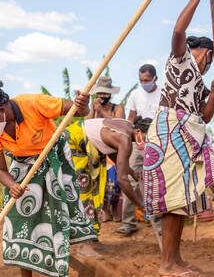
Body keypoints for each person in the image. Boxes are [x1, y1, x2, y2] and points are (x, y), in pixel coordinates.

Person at [0, 82, 96, 277]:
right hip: (21, 168)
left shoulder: (33, 103)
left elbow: (78, 110)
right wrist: (11, 185)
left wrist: (83, 105)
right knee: (18, 225)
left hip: (52, 162)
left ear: (1, 109)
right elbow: (0, 170)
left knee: (54, 222)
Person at [142, 0, 214, 277]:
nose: (208, 65)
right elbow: (178, 32)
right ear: (205, 52)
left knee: (182, 197)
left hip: (189, 134)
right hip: (170, 132)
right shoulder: (181, 58)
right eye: (210, 59)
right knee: (172, 197)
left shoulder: (201, 83)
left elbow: (205, 116)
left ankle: (175, 258)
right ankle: (167, 263)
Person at [119, 64, 163, 235]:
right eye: (140, 80)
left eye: (146, 80)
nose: (143, 83)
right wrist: (128, 138)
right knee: (130, 180)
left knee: (155, 181)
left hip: (157, 142)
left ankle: (159, 225)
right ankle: (128, 222)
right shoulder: (135, 94)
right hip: (137, 142)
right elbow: (131, 117)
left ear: (155, 79)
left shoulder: (163, 94)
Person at [83, 116, 152, 217]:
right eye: (148, 138)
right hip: (79, 139)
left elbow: (116, 158)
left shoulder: (126, 125)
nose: (148, 142)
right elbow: (122, 180)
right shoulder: (125, 140)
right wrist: (140, 206)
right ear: (138, 131)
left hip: (80, 131)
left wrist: (131, 172)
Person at [87, 76, 125, 223]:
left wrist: (102, 111)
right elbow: (87, 124)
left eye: (105, 93)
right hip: (97, 149)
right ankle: (105, 211)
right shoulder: (95, 107)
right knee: (99, 181)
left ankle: (115, 210)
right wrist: (93, 109)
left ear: (110, 94)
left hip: (114, 149)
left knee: (115, 181)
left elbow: (120, 124)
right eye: (100, 93)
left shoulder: (118, 108)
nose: (102, 96)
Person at [65, 119, 107, 233]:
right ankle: (85, 239)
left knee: (90, 195)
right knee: (84, 196)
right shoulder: (73, 138)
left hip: (84, 151)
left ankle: (90, 236)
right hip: (77, 151)